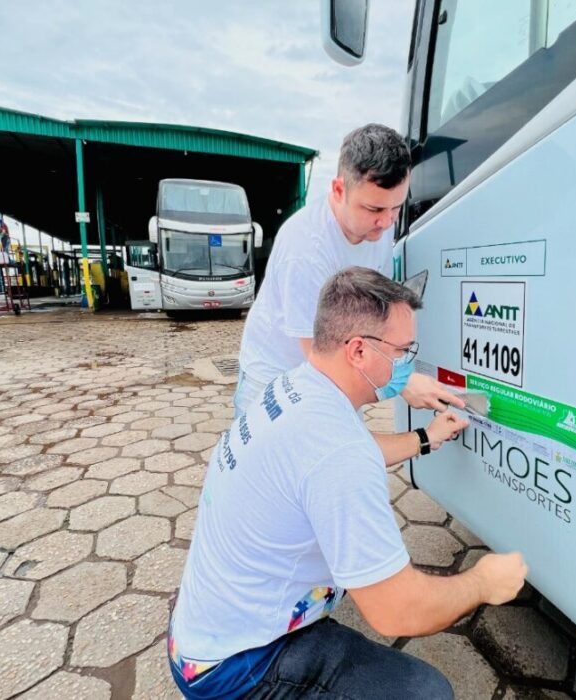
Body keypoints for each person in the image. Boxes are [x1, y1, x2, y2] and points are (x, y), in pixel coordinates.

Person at [169, 267, 529, 699]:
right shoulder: (337, 453)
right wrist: (483, 582)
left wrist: (425, 438)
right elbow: (397, 612)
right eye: (404, 350)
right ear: (358, 350)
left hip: (202, 633)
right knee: (426, 693)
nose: (409, 363)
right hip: (236, 667)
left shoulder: (298, 386)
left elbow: (341, 454)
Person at [235, 123, 463, 416]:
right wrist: (403, 383)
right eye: (375, 210)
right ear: (339, 189)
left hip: (335, 367)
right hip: (275, 377)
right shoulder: (305, 250)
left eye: (396, 208)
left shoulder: (378, 233)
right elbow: (324, 362)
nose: (387, 222)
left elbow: (369, 316)